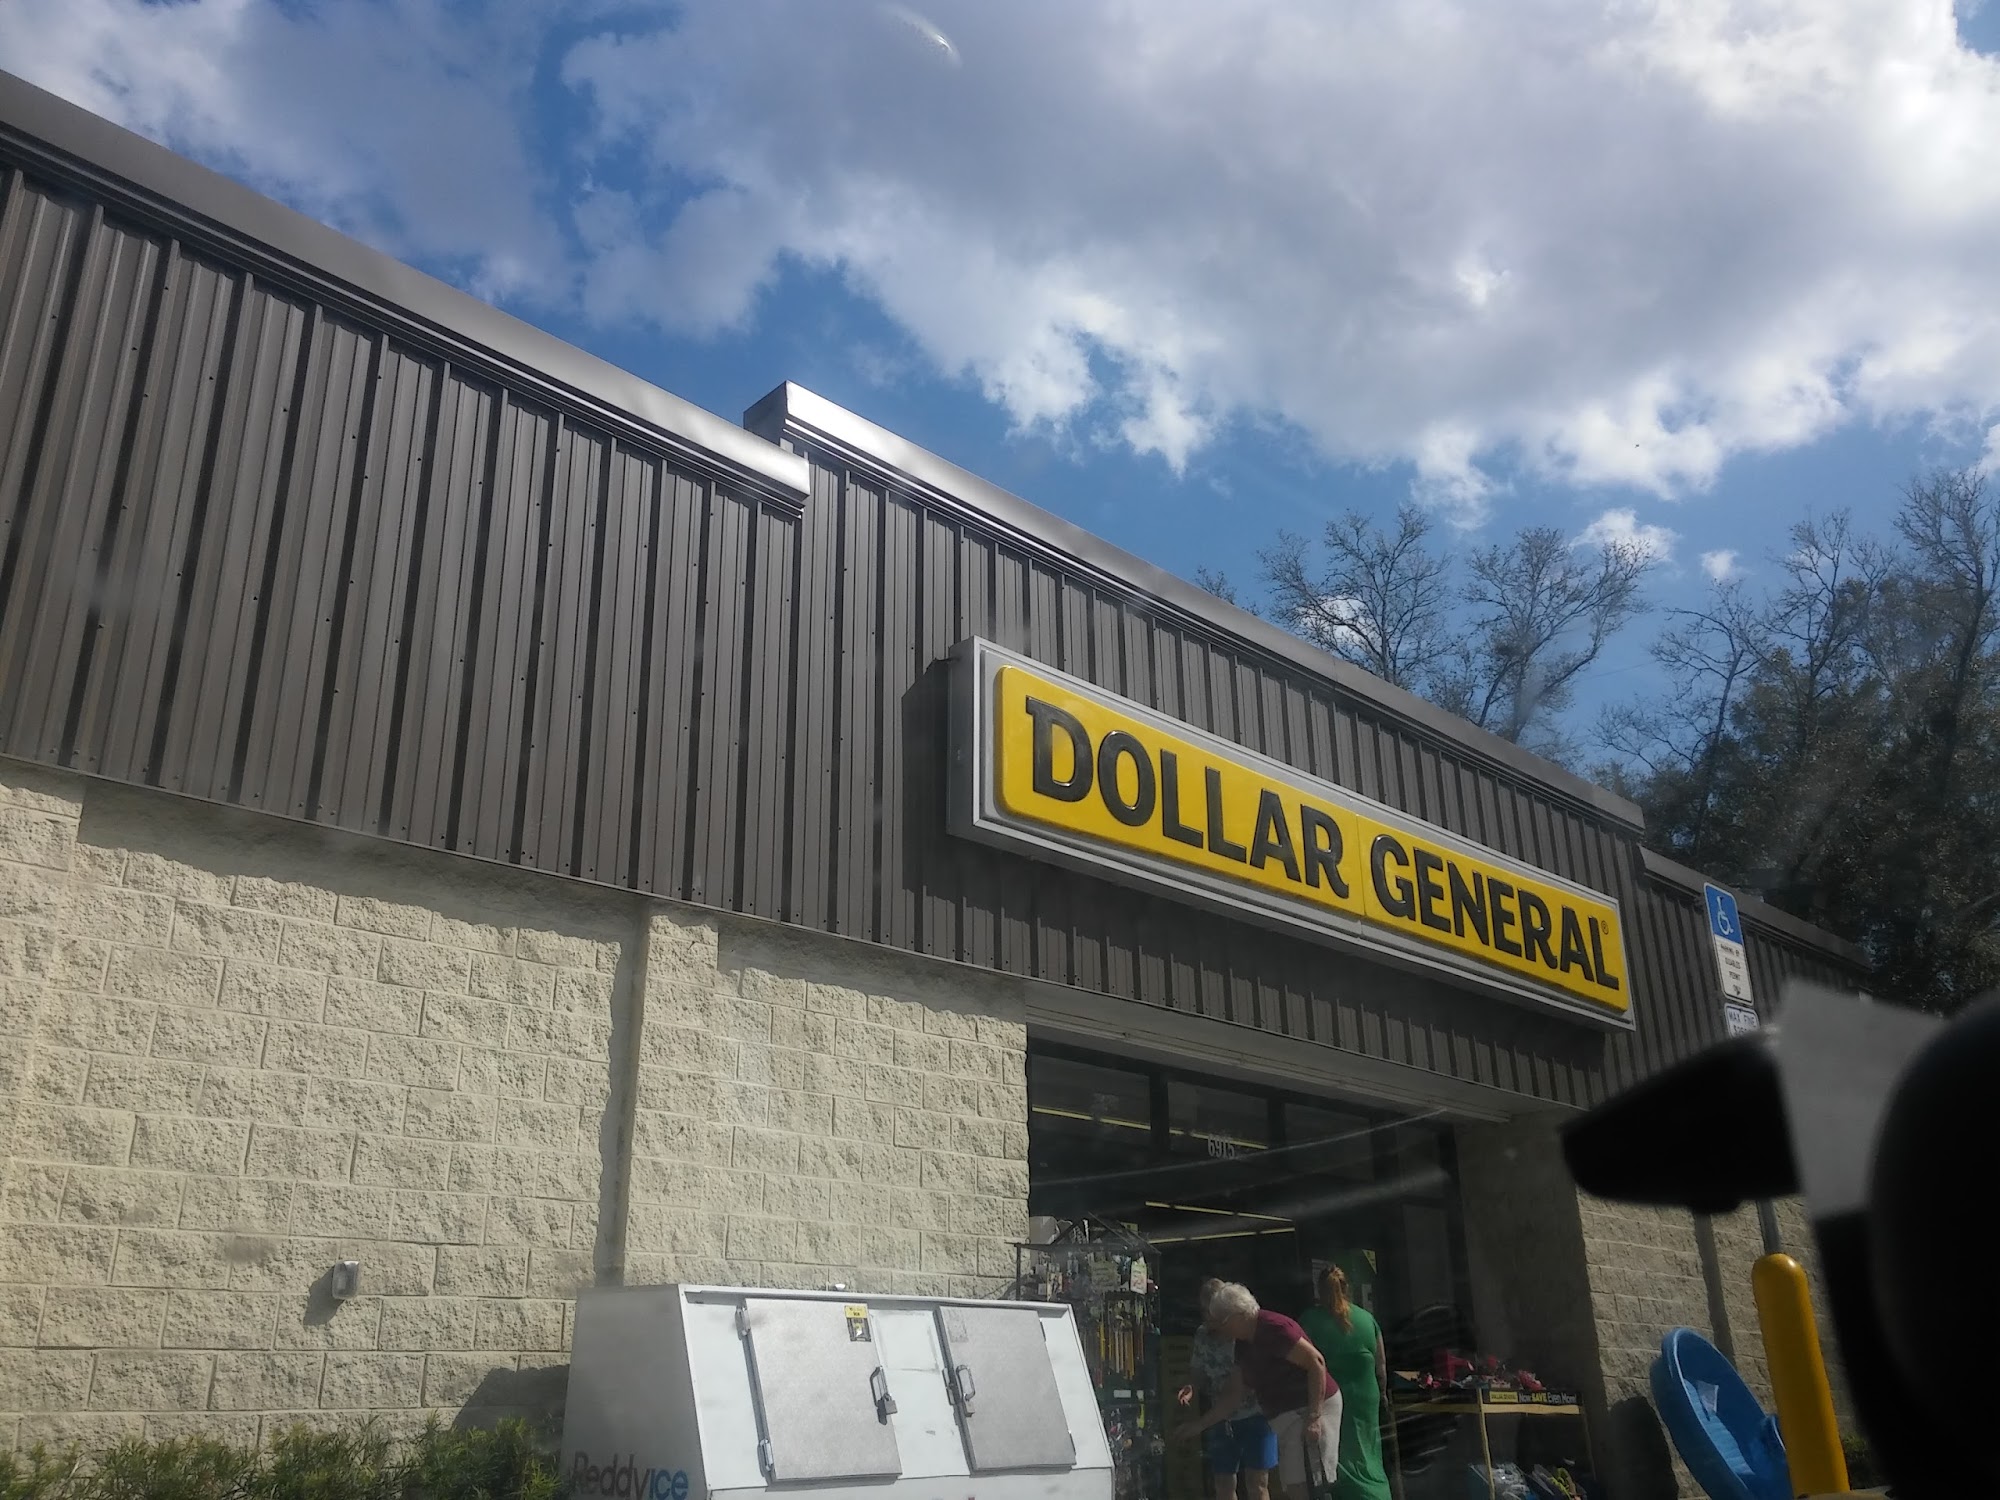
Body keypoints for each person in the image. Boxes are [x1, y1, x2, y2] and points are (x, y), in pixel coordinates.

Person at [1179, 1282, 1340, 1500]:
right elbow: (1234, 1395)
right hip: (1287, 1415)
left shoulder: (1275, 1328)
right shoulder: (1243, 1344)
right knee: (1294, 1485)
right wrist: (1198, 1425)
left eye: (1221, 1322)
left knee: (1309, 1484)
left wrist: (1314, 1417)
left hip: (1309, 1407)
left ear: (1237, 1316)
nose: (1219, 1329)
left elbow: (1316, 1363)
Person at [1176, 1278, 1277, 1500]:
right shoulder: (1203, 1334)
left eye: (1210, 1310)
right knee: (1222, 1482)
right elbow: (1198, 1370)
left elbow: (1235, 1393)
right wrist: (1191, 1386)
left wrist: (1198, 1425)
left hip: (1255, 1414)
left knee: (1257, 1483)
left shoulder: (1243, 1332)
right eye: (1203, 1310)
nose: (1206, 1316)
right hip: (1220, 1419)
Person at [1298, 1266, 1392, 1500]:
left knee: (1338, 1452)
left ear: (1319, 1290)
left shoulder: (1310, 1320)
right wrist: (1382, 1394)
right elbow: (1381, 1366)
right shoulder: (1367, 1319)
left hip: (1329, 1397)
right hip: (1365, 1397)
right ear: (1346, 1288)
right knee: (1368, 1450)